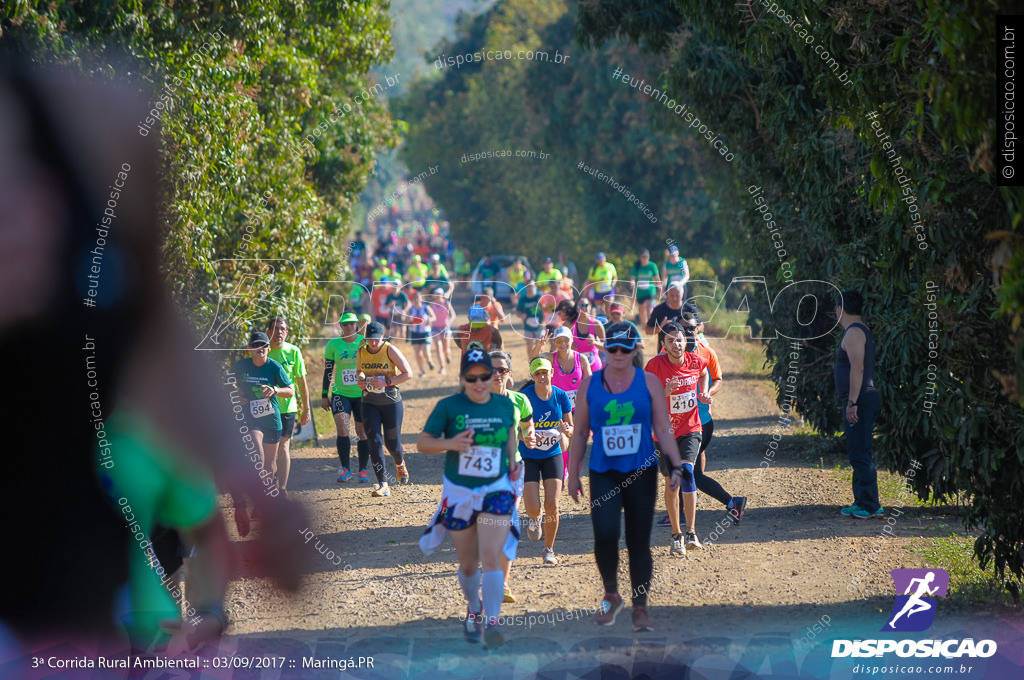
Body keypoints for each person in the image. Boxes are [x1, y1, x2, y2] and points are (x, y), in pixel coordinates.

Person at [566, 322, 688, 632]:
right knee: (605, 535)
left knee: (638, 541)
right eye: (613, 348)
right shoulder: (590, 384)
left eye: (625, 348)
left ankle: (640, 607)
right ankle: (611, 594)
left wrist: (675, 465)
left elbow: (662, 428)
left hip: (641, 471)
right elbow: (580, 432)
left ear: (634, 350)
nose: (618, 354)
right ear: (604, 349)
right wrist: (572, 472)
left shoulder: (648, 382)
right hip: (603, 472)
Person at [417, 342, 522, 648]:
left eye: (484, 377)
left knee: (490, 556)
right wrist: (451, 444)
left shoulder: (504, 406)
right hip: (459, 492)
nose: (479, 383)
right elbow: (423, 444)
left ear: (493, 377)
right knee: (467, 563)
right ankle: (473, 608)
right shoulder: (449, 407)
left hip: (496, 489)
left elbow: (511, 432)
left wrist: (512, 458)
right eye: (472, 378)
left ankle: (492, 621)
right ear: (463, 379)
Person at [656, 313, 746, 527]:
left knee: (687, 470)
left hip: (700, 422)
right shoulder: (668, 350)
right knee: (688, 470)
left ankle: (685, 515)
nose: (686, 333)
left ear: (699, 329)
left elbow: (716, 377)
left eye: (690, 329)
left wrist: (706, 393)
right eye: (682, 328)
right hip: (675, 422)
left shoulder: (706, 353)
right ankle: (728, 503)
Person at [644, 323, 712, 553]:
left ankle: (691, 532)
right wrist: (663, 393)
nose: (676, 344)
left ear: (685, 342)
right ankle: (676, 534)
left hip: (691, 427)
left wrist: (704, 393)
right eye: (671, 340)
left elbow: (704, 372)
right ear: (663, 345)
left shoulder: (694, 360)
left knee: (688, 472)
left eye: (679, 340)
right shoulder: (654, 366)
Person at [488, 350, 536, 603]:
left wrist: (530, 437)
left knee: (510, 524)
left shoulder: (521, 401)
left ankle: (502, 583)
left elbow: (528, 431)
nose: (497, 374)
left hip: (513, 469)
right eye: (492, 369)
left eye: (502, 370)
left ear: (509, 373)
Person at [518, 357, 574, 566]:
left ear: (552, 372)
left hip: (553, 453)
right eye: (537, 374)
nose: (542, 377)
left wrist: (567, 431)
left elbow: (571, 426)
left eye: (545, 372)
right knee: (534, 507)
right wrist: (526, 436)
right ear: (533, 376)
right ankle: (534, 518)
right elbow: (514, 427)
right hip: (528, 455)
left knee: (553, 505)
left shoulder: (561, 396)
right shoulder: (524, 397)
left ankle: (549, 549)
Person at [230, 331, 295, 505]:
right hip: (251, 418)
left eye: (264, 345)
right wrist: (235, 394)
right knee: (257, 458)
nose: (261, 348)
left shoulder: (274, 367)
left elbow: (290, 391)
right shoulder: (241, 365)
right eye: (257, 345)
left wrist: (275, 390)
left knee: (269, 465)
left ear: (268, 348)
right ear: (250, 348)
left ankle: (269, 493)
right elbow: (229, 384)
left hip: (272, 420)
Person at [834, 290, 883, 518]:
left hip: (860, 399)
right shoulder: (859, 331)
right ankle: (861, 500)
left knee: (860, 453)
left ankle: (870, 505)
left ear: (840, 309)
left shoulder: (853, 333)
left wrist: (852, 402)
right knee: (858, 450)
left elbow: (858, 368)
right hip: (860, 398)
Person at [357, 321, 414, 496]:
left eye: (376, 339)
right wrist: (360, 380)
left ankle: (400, 463)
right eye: (369, 340)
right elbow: (359, 370)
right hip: (369, 402)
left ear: (382, 337)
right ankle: (383, 484)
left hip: (391, 402)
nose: (372, 343)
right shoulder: (361, 351)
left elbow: (408, 374)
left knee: (393, 445)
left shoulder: (390, 350)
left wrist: (386, 382)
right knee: (374, 441)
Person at [323, 312, 369, 483]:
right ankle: (345, 469)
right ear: (340, 326)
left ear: (357, 324)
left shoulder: (364, 342)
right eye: (345, 324)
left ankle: (363, 470)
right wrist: (324, 395)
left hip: (362, 394)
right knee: (343, 429)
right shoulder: (333, 344)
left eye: (352, 324)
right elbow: (328, 371)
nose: (349, 327)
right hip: (340, 393)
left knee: (362, 432)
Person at [267, 316, 311, 496]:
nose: (279, 332)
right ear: (269, 332)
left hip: (288, 407)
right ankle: (269, 490)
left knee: (284, 447)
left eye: (282, 329)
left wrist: (306, 408)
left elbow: (302, 383)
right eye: (275, 329)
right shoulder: (263, 351)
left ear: (287, 333)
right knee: (268, 451)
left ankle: (282, 489)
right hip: (267, 408)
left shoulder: (294, 352)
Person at [646, 282, 700, 353]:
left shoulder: (690, 309)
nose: (674, 298)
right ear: (667, 294)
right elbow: (648, 330)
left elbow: (701, 325)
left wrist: (694, 329)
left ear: (682, 294)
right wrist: (659, 328)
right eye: (671, 295)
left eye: (677, 295)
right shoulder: (659, 310)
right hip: (665, 353)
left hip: (688, 352)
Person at [556, 299, 606, 371]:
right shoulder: (570, 325)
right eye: (579, 306)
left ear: (590, 306)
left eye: (585, 305)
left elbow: (605, 347)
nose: (583, 308)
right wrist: (569, 346)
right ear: (577, 309)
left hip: (595, 368)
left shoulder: (597, 324)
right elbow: (561, 345)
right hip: (578, 368)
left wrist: (594, 343)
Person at [403, 288, 437, 376]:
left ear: (421, 299)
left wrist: (430, 319)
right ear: (413, 299)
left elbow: (434, 317)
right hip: (415, 333)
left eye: (418, 297)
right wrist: (408, 319)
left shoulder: (426, 307)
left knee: (425, 352)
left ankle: (429, 361)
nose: (417, 299)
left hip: (425, 332)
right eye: (415, 298)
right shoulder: (411, 309)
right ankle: (422, 370)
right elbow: (405, 320)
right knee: (418, 353)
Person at [630, 249, 661, 329]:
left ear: (649, 257)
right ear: (640, 257)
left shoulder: (652, 266)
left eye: (646, 257)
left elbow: (657, 278)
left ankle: (651, 325)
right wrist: (632, 282)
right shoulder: (637, 266)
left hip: (650, 290)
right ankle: (644, 326)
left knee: (650, 308)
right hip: (640, 292)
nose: (644, 259)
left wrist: (660, 289)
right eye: (642, 257)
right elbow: (633, 277)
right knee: (641, 310)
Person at [429, 287, 455, 374]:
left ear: (442, 295)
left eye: (439, 294)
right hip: (435, 328)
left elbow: (453, 315)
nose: (437, 296)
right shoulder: (431, 304)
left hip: (445, 327)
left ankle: (448, 355)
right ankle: (442, 367)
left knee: (445, 349)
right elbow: (429, 315)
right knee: (438, 348)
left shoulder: (446, 303)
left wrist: (449, 322)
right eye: (436, 294)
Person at [516, 280, 545, 355]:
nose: (529, 288)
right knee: (529, 345)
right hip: (527, 326)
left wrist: (544, 322)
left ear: (535, 287)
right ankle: (531, 361)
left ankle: (541, 360)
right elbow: (518, 311)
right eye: (528, 286)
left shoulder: (540, 297)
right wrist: (521, 315)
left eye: (531, 286)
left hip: (540, 325)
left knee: (540, 345)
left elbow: (545, 311)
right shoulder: (522, 299)